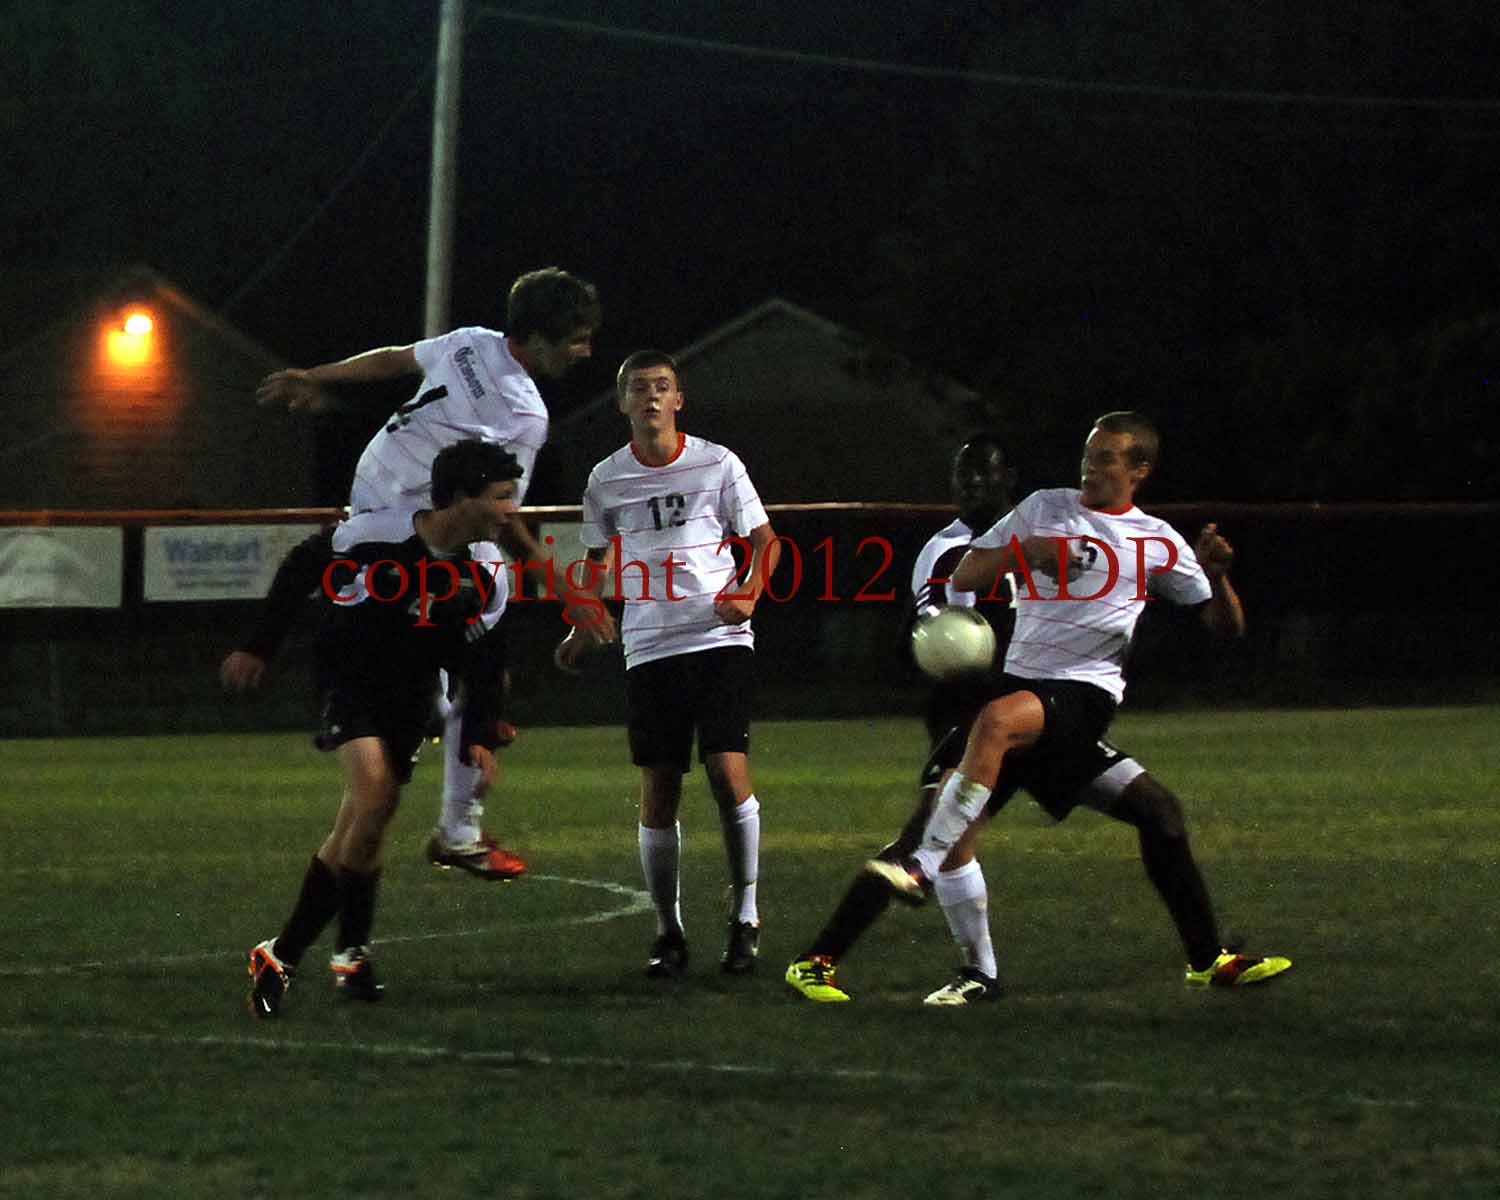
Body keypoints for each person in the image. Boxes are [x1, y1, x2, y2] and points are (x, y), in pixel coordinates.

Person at [785, 412, 1291, 1002]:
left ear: (1140, 469)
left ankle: (1208, 961)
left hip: (1080, 700)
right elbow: (969, 570)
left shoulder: (1158, 541)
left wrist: (1216, 577)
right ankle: (826, 961)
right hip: (1024, 696)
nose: (1090, 468)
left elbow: (1225, 627)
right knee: (1144, 812)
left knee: (1029, 763)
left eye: (1106, 458)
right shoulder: (1045, 507)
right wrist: (1026, 552)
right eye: (1088, 455)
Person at [222, 266, 601, 881]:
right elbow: (500, 512)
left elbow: (394, 359)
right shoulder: (523, 412)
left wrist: (317, 374)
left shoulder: (472, 341)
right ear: (537, 339)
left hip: (373, 498)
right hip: (414, 524)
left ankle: (446, 705)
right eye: (577, 339)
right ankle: (459, 820)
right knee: (489, 606)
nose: (585, 351)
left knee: (431, 636)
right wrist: (567, 594)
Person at [247, 439, 524, 1018]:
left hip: (411, 698)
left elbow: (486, 659)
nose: (511, 510)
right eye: (501, 497)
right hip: (348, 681)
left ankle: (330, 954)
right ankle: (303, 953)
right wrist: (259, 646)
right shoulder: (376, 534)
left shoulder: (488, 569)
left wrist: (480, 732)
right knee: (373, 798)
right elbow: (301, 567)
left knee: (364, 826)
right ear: (461, 498)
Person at [559, 350, 779, 978]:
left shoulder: (718, 463)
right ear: (622, 403)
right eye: (639, 388)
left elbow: (766, 543)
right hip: (651, 643)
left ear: (679, 399)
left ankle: (746, 916)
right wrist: (582, 620)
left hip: (718, 636)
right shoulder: (606, 478)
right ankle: (668, 931)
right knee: (659, 788)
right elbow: (598, 558)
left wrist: (749, 592)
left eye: (662, 387)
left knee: (726, 772)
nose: (651, 397)